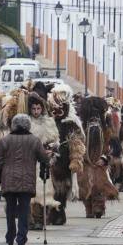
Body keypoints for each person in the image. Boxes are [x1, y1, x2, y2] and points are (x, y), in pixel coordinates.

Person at [0, 113, 51, 245]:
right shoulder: (34, 140)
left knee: (10, 210)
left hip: (9, 180)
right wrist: (44, 172)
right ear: (28, 125)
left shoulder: (5, 140)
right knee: (24, 210)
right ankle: (21, 238)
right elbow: (44, 159)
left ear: (13, 125)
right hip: (27, 181)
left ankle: (10, 236)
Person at [47, 85, 86, 225]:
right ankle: (49, 213)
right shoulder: (47, 122)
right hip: (48, 161)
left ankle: (58, 212)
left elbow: (76, 143)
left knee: (60, 190)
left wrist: (76, 159)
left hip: (63, 163)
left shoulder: (71, 124)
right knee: (48, 189)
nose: (57, 112)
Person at [78, 96, 119, 218]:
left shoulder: (106, 128)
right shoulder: (82, 128)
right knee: (86, 185)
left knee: (99, 184)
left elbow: (114, 148)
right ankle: (89, 207)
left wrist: (105, 158)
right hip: (86, 161)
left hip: (100, 161)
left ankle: (99, 207)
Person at [27, 91, 60, 230]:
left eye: (38, 108)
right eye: (33, 109)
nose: (36, 111)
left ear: (42, 108)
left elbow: (56, 141)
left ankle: (40, 220)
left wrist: (52, 149)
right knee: (30, 192)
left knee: (44, 190)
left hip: (44, 162)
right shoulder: (26, 122)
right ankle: (30, 220)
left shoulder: (49, 122)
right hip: (29, 162)